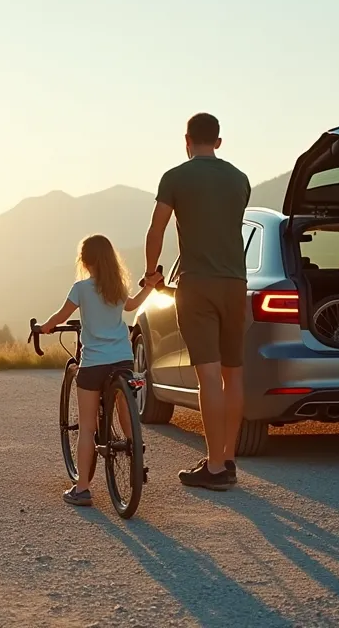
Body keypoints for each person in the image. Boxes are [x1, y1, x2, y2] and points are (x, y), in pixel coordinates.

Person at [144, 112, 251, 491]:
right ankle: (230, 458)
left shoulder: (175, 178)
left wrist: (151, 272)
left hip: (197, 285)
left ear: (186, 140)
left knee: (208, 375)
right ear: (218, 142)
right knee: (233, 374)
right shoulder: (240, 180)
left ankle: (216, 466)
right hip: (235, 284)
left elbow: (156, 227)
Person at [38, 234, 162, 506]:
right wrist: (150, 287)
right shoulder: (117, 286)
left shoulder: (81, 288)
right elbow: (131, 305)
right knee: (124, 409)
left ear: (84, 260)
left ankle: (82, 488)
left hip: (94, 363)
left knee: (86, 427)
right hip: (122, 359)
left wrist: (45, 327)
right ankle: (135, 452)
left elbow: (61, 316)